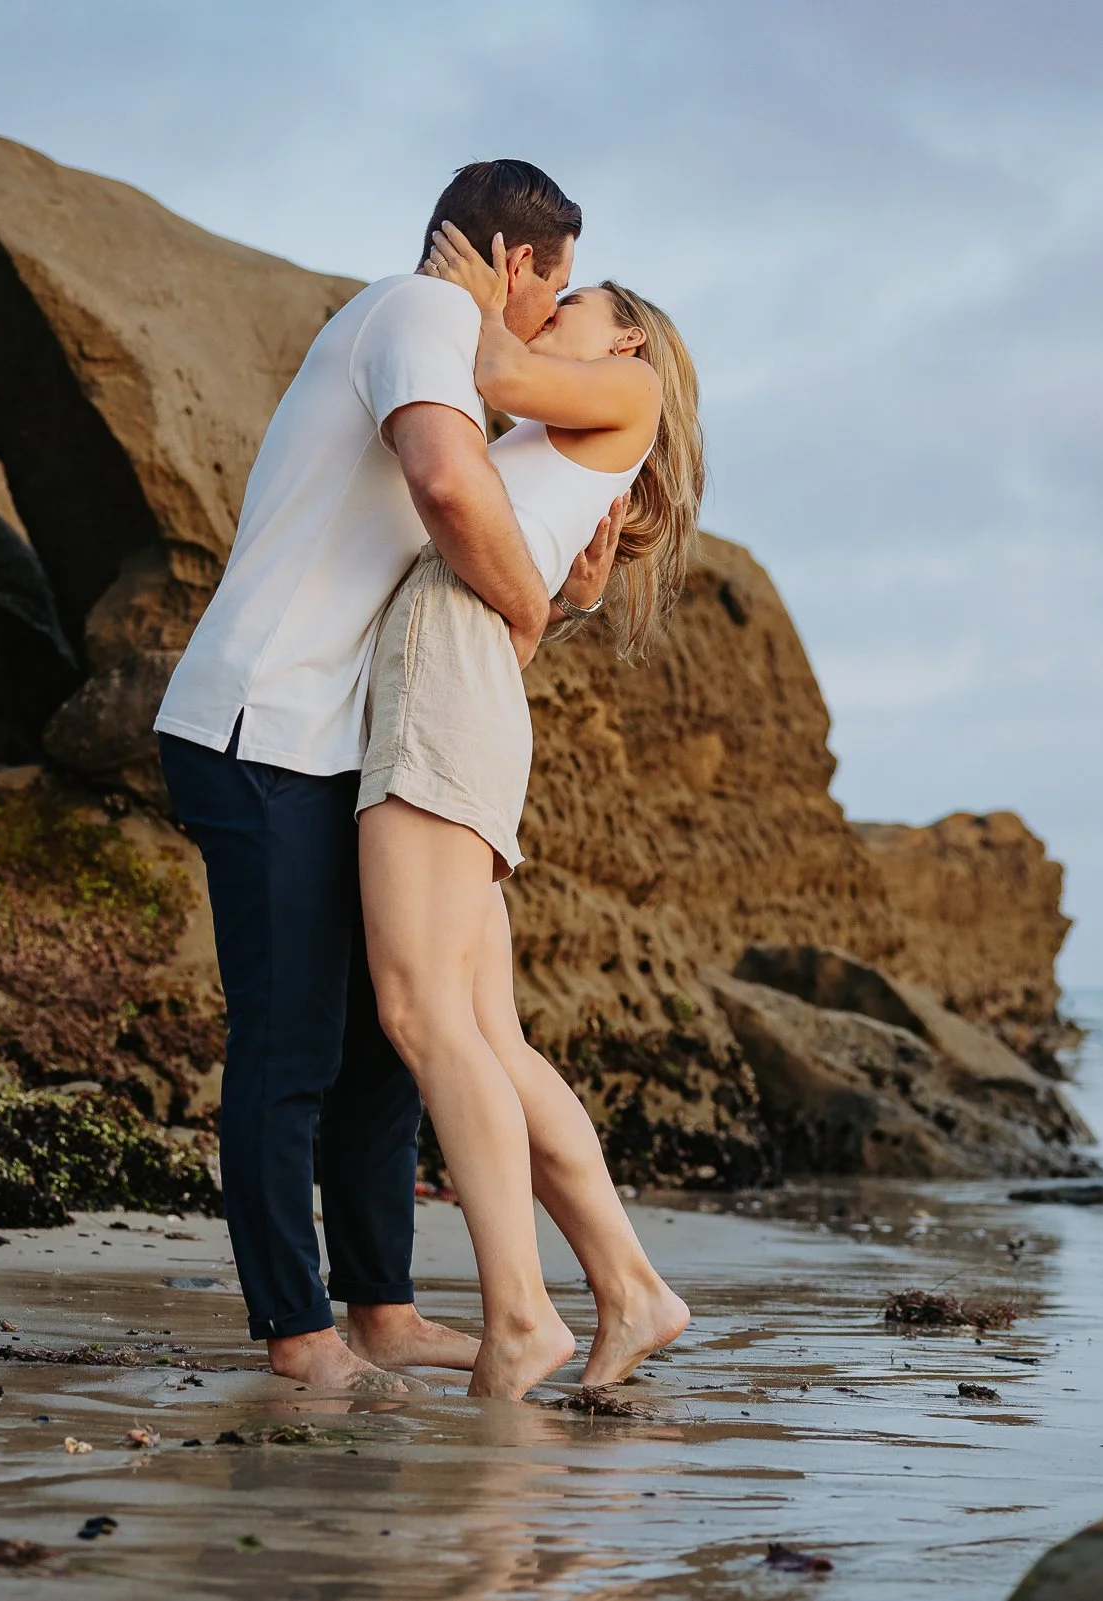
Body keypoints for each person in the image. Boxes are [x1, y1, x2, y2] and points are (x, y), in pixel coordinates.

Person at [155, 161, 598, 1393]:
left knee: (381, 1051)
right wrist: (531, 592)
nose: (544, 333)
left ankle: (384, 1310)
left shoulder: (448, 352)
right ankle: (298, 1335)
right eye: (549, 300)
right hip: (261, 725)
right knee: (291, 1042)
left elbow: (470, 567)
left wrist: (557, 585)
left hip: (342, 747)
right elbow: (447, 487)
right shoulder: (423, 313)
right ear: (516, 264)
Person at [356, 220, 702, 1398]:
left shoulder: (629, 386)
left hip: (449, 686)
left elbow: (493, 365)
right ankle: (630, 1289)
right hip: (470, 685)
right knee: (487, 1035)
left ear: (629, 340)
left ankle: (517, 1316)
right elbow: (509, 595)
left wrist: (473, 294)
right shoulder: (555, 445)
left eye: (571, 306)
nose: (546, 314)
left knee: (420, 1014)